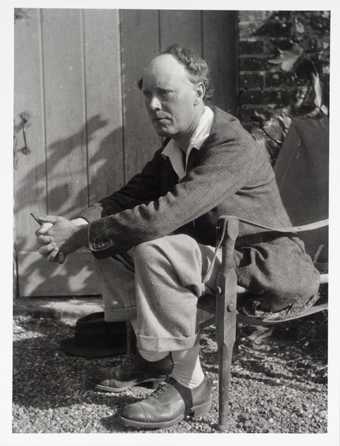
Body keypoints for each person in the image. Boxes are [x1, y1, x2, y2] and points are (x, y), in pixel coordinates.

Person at [35, 44, 320, 430]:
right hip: (219, 257)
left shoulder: (230, 143)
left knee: (154, 249)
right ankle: (152, 357)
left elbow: (163, 216)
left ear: (199, 92)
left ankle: (190, 385)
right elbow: (127, 198)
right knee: (113, 242)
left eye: (165, 93)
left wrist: (82, 235)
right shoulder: (175, 146)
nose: (153, 105)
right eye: (147, 94)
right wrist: (74, 225)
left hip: (264, 267)